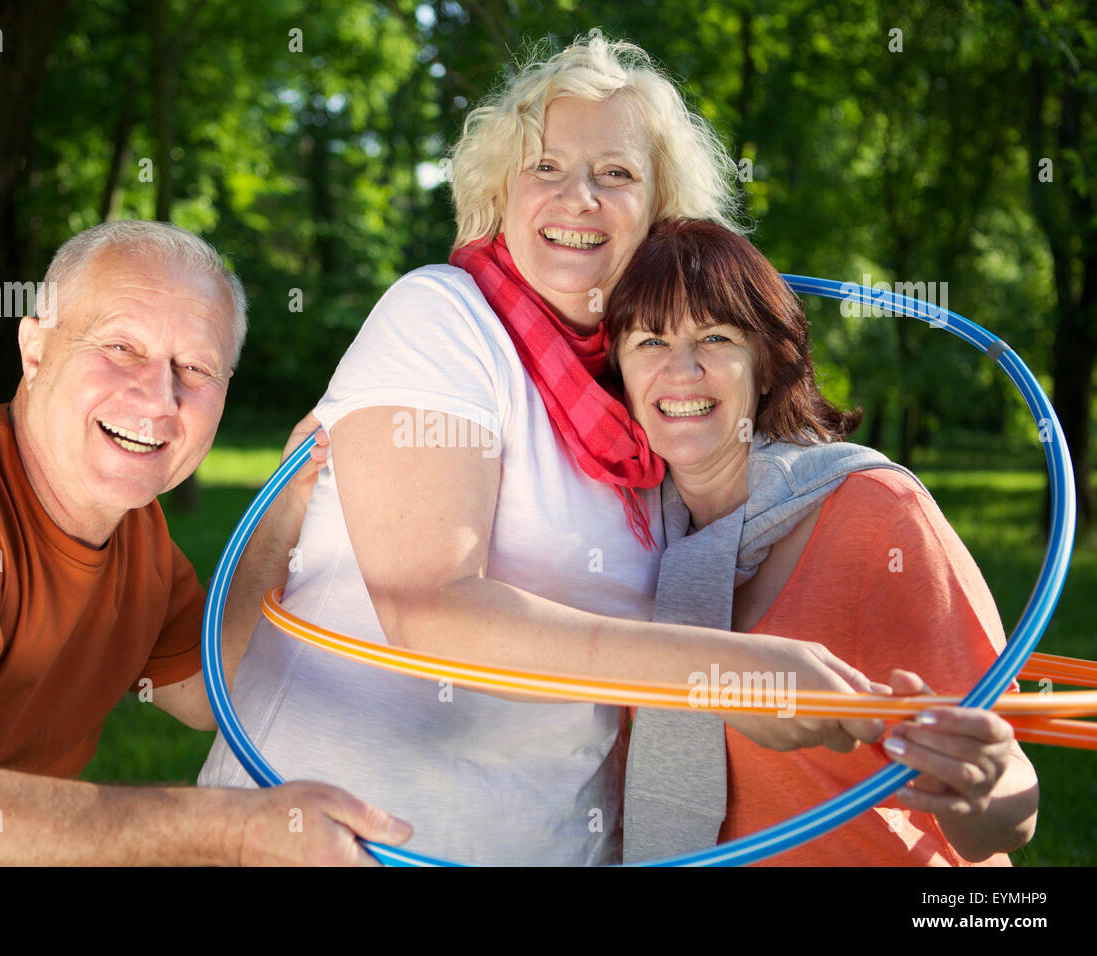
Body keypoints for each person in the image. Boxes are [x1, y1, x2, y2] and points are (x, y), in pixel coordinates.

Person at [199, 39, 889, 866]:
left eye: (617, 174)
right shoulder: (442, 319)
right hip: (336, 841)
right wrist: (721, 671)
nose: (579, 199)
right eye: (547, 167)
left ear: (663, 211)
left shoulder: (651, 396)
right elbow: (429, 608)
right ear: (502, 192)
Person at [0, 219, 412, 866]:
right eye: (121, 347)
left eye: (195, 367)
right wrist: (236, 830)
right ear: (35, 352)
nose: (157, 396)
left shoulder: (134, 533)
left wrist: (288, 495)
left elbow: (211, 691)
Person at [605, 218, 1039, 865]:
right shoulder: (630, 534)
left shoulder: (878, 515)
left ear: (766, 364)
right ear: (617, 370)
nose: (682, 370)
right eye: (650, 341)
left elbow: (1006, 812)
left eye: (715, 337)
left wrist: (986, 787)